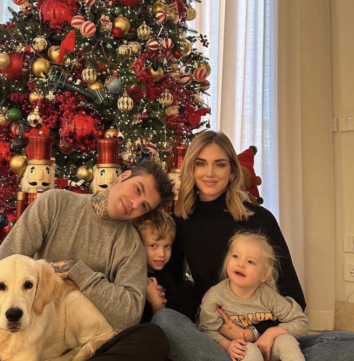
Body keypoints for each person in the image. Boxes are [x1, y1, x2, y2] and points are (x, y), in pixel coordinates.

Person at [151, 130, 354, 361]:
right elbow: (177, 288)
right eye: (200, 164)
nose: (209, 173)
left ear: (232, 172)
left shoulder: (260, 219)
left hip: (267, 336)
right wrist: (216, 334)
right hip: (220, 341)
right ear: (191, 168)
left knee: (348, 343)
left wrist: (259, 333)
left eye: (219, 165)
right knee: (164, 321)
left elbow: (294, 297)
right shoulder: (181, 221)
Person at [0, 159, 173, 361]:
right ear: (123, 176)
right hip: (29, 324)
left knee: (153, 339)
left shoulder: (130, 244)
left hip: (87, 339)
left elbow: (129, 314)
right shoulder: (54, 203)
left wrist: (77, 270)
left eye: (144, 206)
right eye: (137, 189)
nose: (134, 203)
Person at [199, 231, 308, 361]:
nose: (241, 264)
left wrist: (271, 333)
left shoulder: (268, 296)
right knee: (248, 350)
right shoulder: (215, 296)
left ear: (264, 274)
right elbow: (206, 331)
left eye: (250, 261)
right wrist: (227, 345)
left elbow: (301, 322)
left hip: (267, 347)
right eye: (235, 256)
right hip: (237, 352)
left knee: (287, 341)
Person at [133, 209, 181, 323]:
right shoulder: (133, 276)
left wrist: (158, 303)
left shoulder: (165, 273)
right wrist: (156, 303)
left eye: (167, 246)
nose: (162, 254)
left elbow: (175, 316)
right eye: (153, 245)